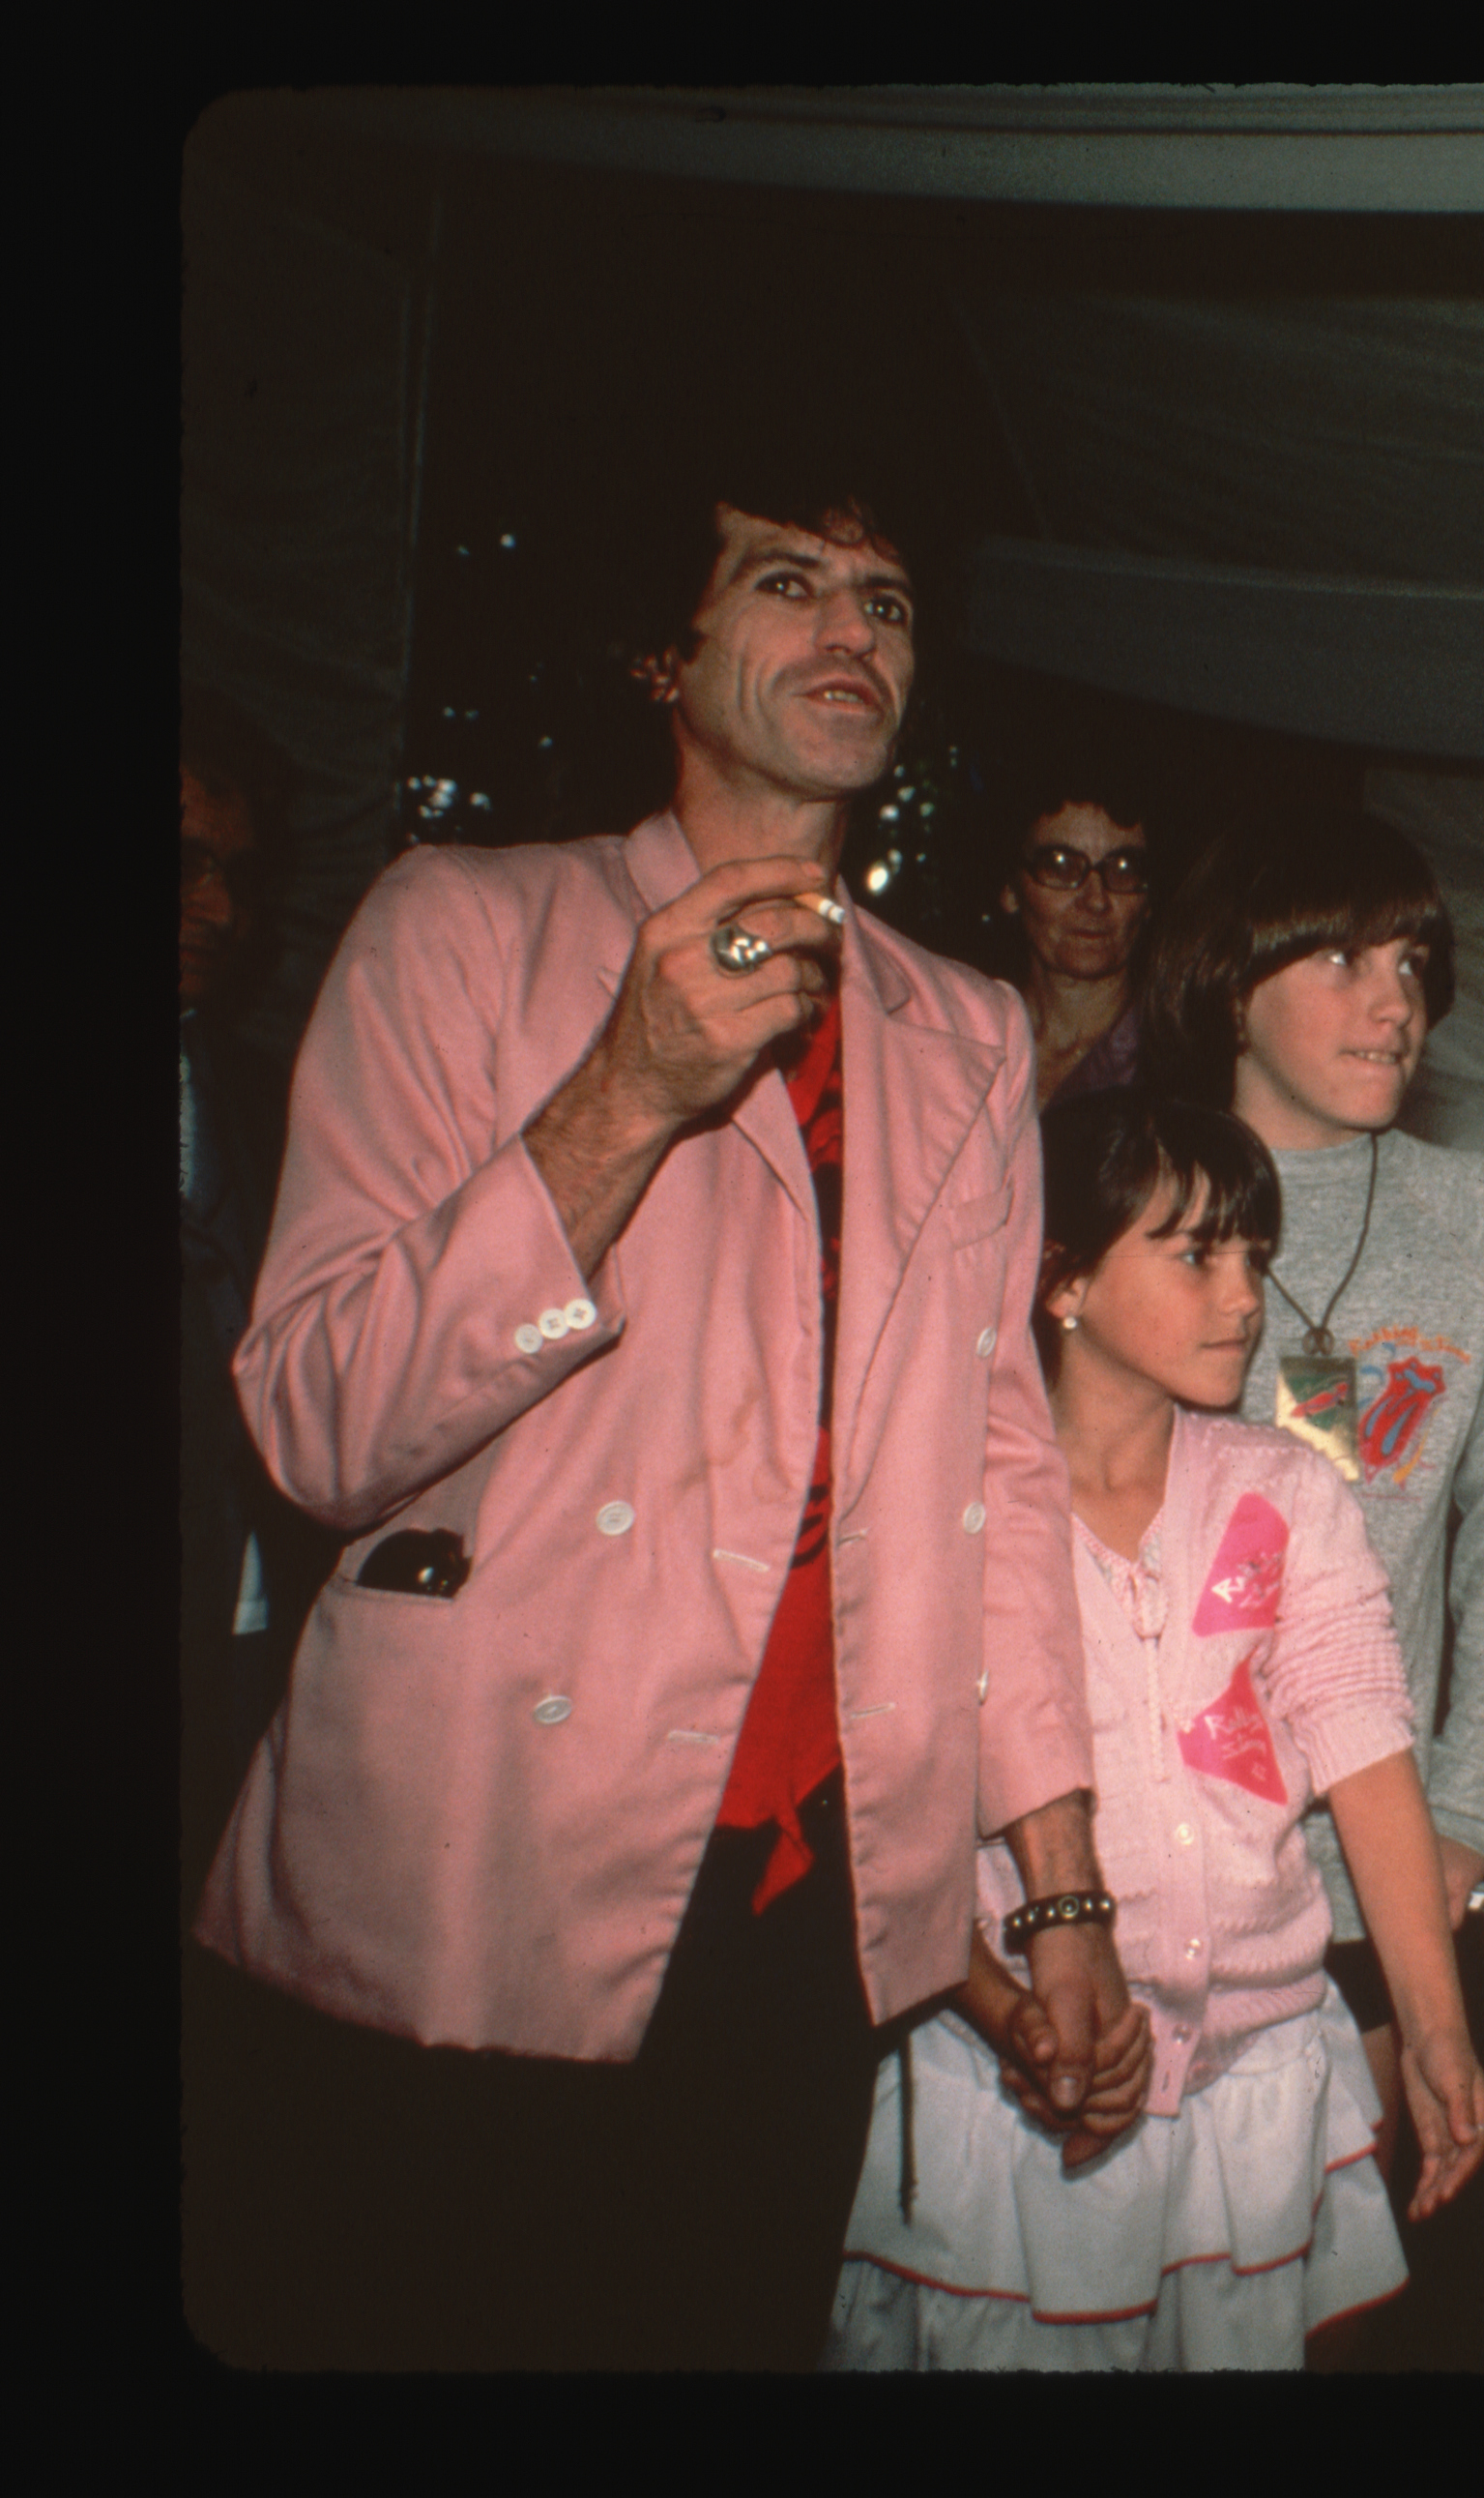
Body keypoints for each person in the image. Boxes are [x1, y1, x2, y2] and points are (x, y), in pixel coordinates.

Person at [189, 449, 1143, 2371]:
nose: (850, 629)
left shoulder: (962, 1028)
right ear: (659, 651)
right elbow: (317, 1421)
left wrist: (1061, 1890)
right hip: (483, 1872)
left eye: (883, 600)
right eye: (789, 581)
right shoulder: (464, 926)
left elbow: (998, 1478)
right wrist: (622, 1094)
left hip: (809, 1910)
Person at [828, 1091, 1484, 2368]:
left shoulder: (1286, 1487)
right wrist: (997, 2002)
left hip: (1261, 2079)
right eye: (1193, 1252)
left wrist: (1438, 2027)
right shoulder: (954, 1507)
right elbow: (886, 1811)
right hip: (1021, 2085)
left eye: (1252, 1253)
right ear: (1062, 1278)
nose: (1243, 1296)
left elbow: (1365, 1756)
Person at [1141, 808, 1484, 2188]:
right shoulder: (1126, 1197)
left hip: (1375, 1869)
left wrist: (1464, 1812)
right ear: (1228, 983)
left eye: (1414, 961)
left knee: (1325, 2283)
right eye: (1341, 959)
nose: (1397, 1002)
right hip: (1148, 1847)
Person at [179, 686, 325, 1917]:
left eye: (236, 876)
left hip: (233, 1648)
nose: (218, 912)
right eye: (182, 868)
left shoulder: (259, 1098)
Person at [997, 763, 1160, 1105]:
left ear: (1148, 902)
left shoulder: (1172, 1063)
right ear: (1012, 890)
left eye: (1124, 870)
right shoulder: (966, 1033)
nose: (1096, 900)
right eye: (1060, 866)